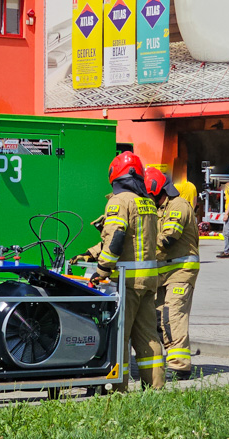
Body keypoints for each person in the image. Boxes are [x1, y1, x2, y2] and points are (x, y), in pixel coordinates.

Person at [91, 152, 165, 390]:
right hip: (148, 281)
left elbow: (117, 237)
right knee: (148, 337)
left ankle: (118, 390)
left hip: (126, 282)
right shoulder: (147, 202)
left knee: (119, 337)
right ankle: (155, 388)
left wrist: (101, 269)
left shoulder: (119, 200)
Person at [144, 167, 199, 381]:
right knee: (158, 317)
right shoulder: (158, 208)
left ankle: (179, 366)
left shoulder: (178, 206)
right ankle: (164, 360)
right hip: (161, 273)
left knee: (172, 316)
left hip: (181, 272)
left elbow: (168, 238)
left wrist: (141, 253)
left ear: (158, 190)